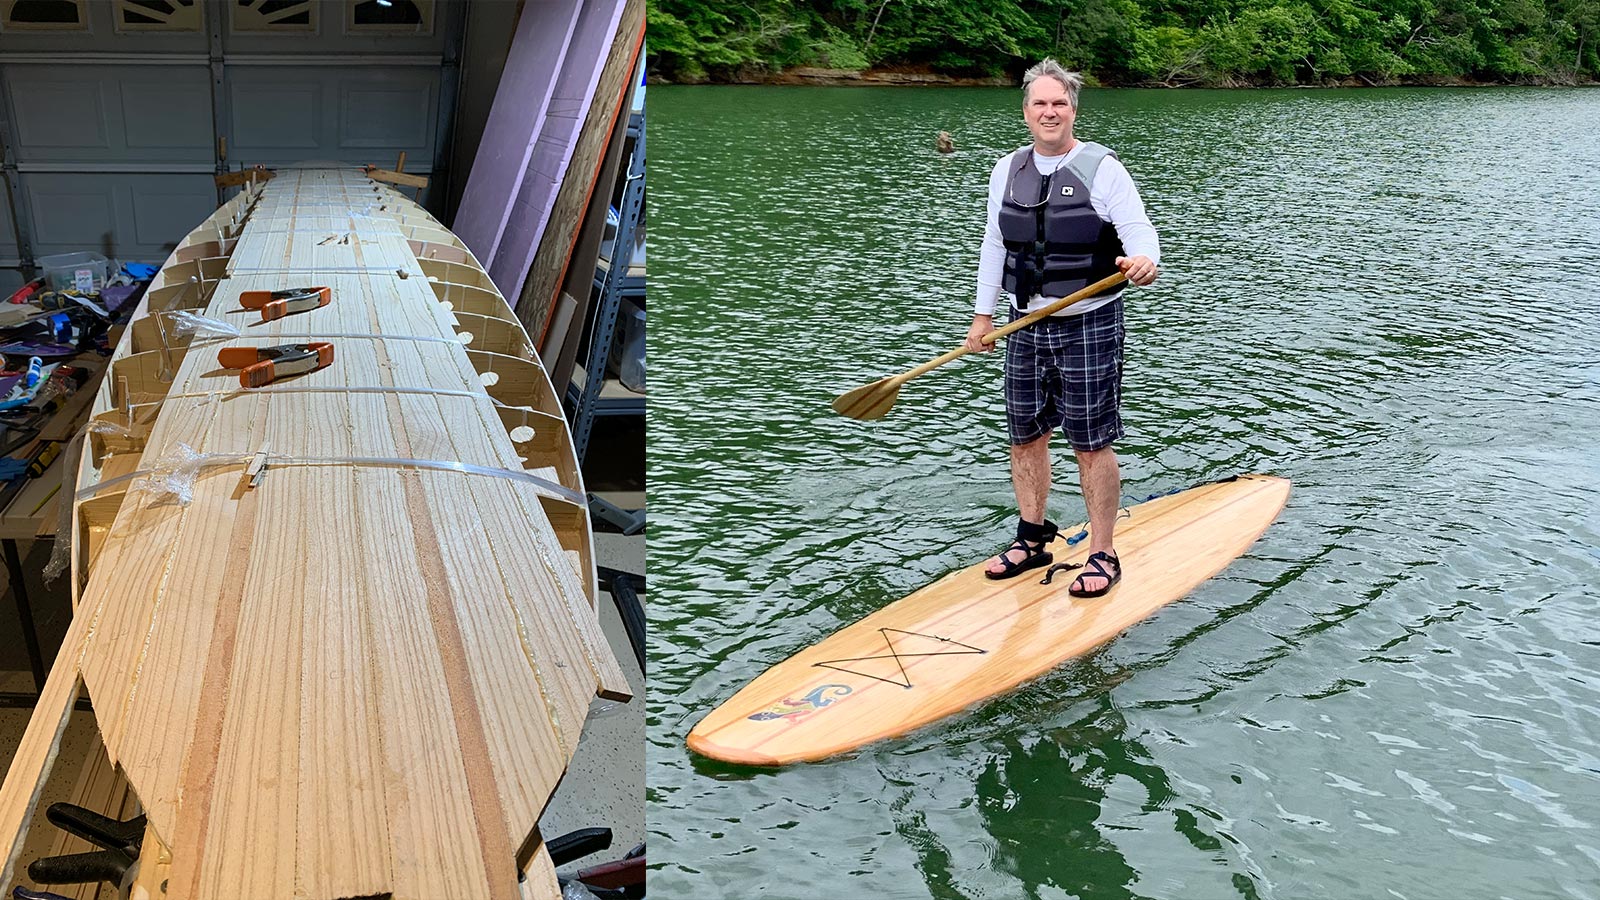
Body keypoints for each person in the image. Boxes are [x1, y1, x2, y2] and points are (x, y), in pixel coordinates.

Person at [965, 58, 1160, 598]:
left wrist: (1144, 260)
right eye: (1039, 103)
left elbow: (1140, 232)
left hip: (1089, 321)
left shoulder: (1103, 168)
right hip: (1022, 323)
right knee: (1024, 436)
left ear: (1073, 109)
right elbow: (995, 245)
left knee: (1091, 441)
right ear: (1025, 111)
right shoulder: (1007, 169)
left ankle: (1102, 551)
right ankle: (1033, 537)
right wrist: (983, 318)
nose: (1050, 111)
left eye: (1060, 103)